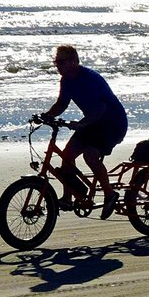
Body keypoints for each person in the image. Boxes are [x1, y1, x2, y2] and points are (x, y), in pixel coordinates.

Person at [42, 45, 128, 220]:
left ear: (74, 62)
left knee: (90, 155)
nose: (57, 66)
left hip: (112, 123)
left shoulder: (90, 78)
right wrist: (46, 116)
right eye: (55, 62)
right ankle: (68, 198)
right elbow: (62, 104)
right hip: (92, 123)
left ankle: (110, 194)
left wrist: (82, 123)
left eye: (61, 62)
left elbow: (102, 107)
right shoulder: (66, 80)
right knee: (67, 156)